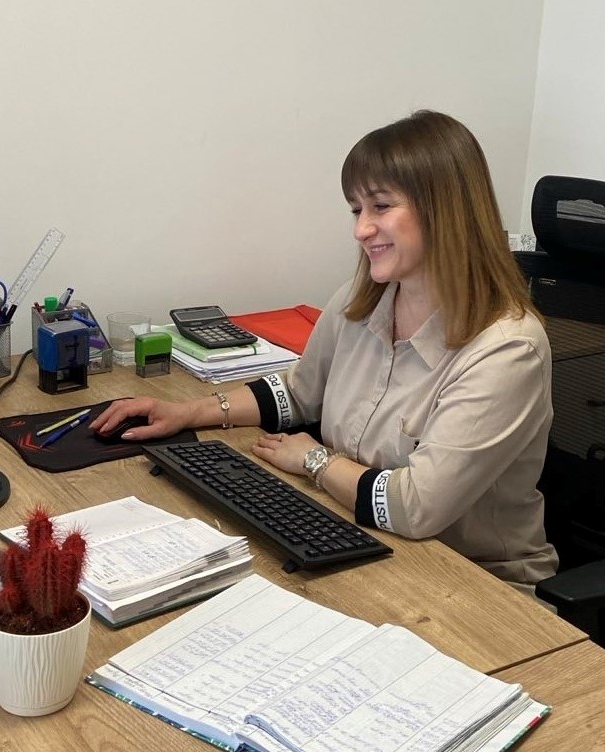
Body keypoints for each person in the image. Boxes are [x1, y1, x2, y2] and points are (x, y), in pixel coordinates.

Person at [91, 109, 558, 595]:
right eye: (356, 210)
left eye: (380, 206)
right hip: (361, 540)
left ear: (445, 210)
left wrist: (314, 460)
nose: (361, 229)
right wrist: (186, 413)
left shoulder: (507, 350)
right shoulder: (364, 300)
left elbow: (416, 507)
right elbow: (299, 393)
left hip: (478, 587)